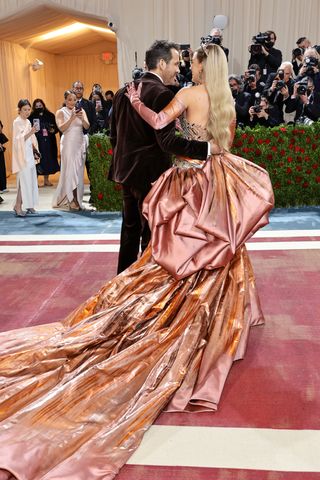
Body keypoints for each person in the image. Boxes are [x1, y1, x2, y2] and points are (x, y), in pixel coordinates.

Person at [0, 44, 273, 480]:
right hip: (218, 181)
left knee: (171, 250)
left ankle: (161, 309)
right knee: (220, 250)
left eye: (195, 61)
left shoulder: (187, 93)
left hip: (188, 180)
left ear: (204, 66)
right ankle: (217, 323)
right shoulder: (227, 101)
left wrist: (135, 100)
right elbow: (222, 144)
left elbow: (162, 125)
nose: (188, 65)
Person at [109, 40, 214, 274]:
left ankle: (121, 283)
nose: (178, 69)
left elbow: (113, 137)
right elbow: (167, 142)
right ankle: (145, 287)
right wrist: (207, 149)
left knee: (129, 229)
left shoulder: (122, 91)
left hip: (125, 173)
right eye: (176, 63)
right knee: (152, 233)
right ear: (162, 63)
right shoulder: (162, 93)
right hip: (152, 175)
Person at [52, 90, 90, 210]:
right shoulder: (60, 112)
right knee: (70, 171)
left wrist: (81, 119)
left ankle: (77, 198)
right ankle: (71, 199)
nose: (72, 102)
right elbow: (62, 128)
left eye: (74, 100)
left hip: (79, 143)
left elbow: (87, 126)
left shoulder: (81, 110)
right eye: (69, 99)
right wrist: (72, 118)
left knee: (78, 172)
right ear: (65, 100)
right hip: (68, 143)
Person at [11, 99, 39, 216]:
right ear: (19, 110)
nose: (27, 112)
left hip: (29, 154)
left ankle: (29, 204)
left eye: (29, 109)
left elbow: (30, 139)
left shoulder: (27, 121)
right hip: (22, 155)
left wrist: (34, 149)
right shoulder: (17, 122)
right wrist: (31, 132)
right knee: (23, 181)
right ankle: (18, 205)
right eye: (24, 110)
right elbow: (18, 141)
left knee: (31, 179)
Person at [29, 98, 59, 187]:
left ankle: (46, 180)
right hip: (38, 141)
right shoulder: (31, 117)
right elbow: (28, 129)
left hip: (49, 142)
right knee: (37, 160)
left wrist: (53, 130)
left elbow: (56, 128)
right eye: (37, 106)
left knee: (48, 159)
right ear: (34, 107)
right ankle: (35, 181)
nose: (39, 107)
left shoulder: (50, 115)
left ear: (43, 105)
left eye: (40, 105)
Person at [0, 120, 9, 194]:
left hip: (0, 154)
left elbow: (5, 146)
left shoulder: (1, 135)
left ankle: (3, 187)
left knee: (2, 169)